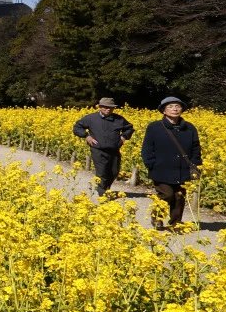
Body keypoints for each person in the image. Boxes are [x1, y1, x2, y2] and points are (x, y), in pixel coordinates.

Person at [142, 96, 202, 229]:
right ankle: (157, 217)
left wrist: (195, 164)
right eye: (170, 106)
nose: (174, 109)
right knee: (166, 194)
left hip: (183, 169)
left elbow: (196, 147)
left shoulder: (190, 128)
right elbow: (147, 148)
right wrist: (151, 164)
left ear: (182, 109)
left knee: (179, 197)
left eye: (177, 106)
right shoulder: (154, 127)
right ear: (163, 110)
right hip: (161, 169)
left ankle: (175, 222)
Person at [72, 97, 135, 195]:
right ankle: (102, 194)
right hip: (98, 150)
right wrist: (87, 136)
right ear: (100, 107)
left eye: (111, 107)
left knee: (114, 172)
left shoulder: (119, 119)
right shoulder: (91, 118)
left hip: (114, 150)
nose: (108, 109)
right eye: (105, 107)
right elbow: (77, 127)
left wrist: (123, 137)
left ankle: (105, 188)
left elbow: (129, 128)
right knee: (102, 172)